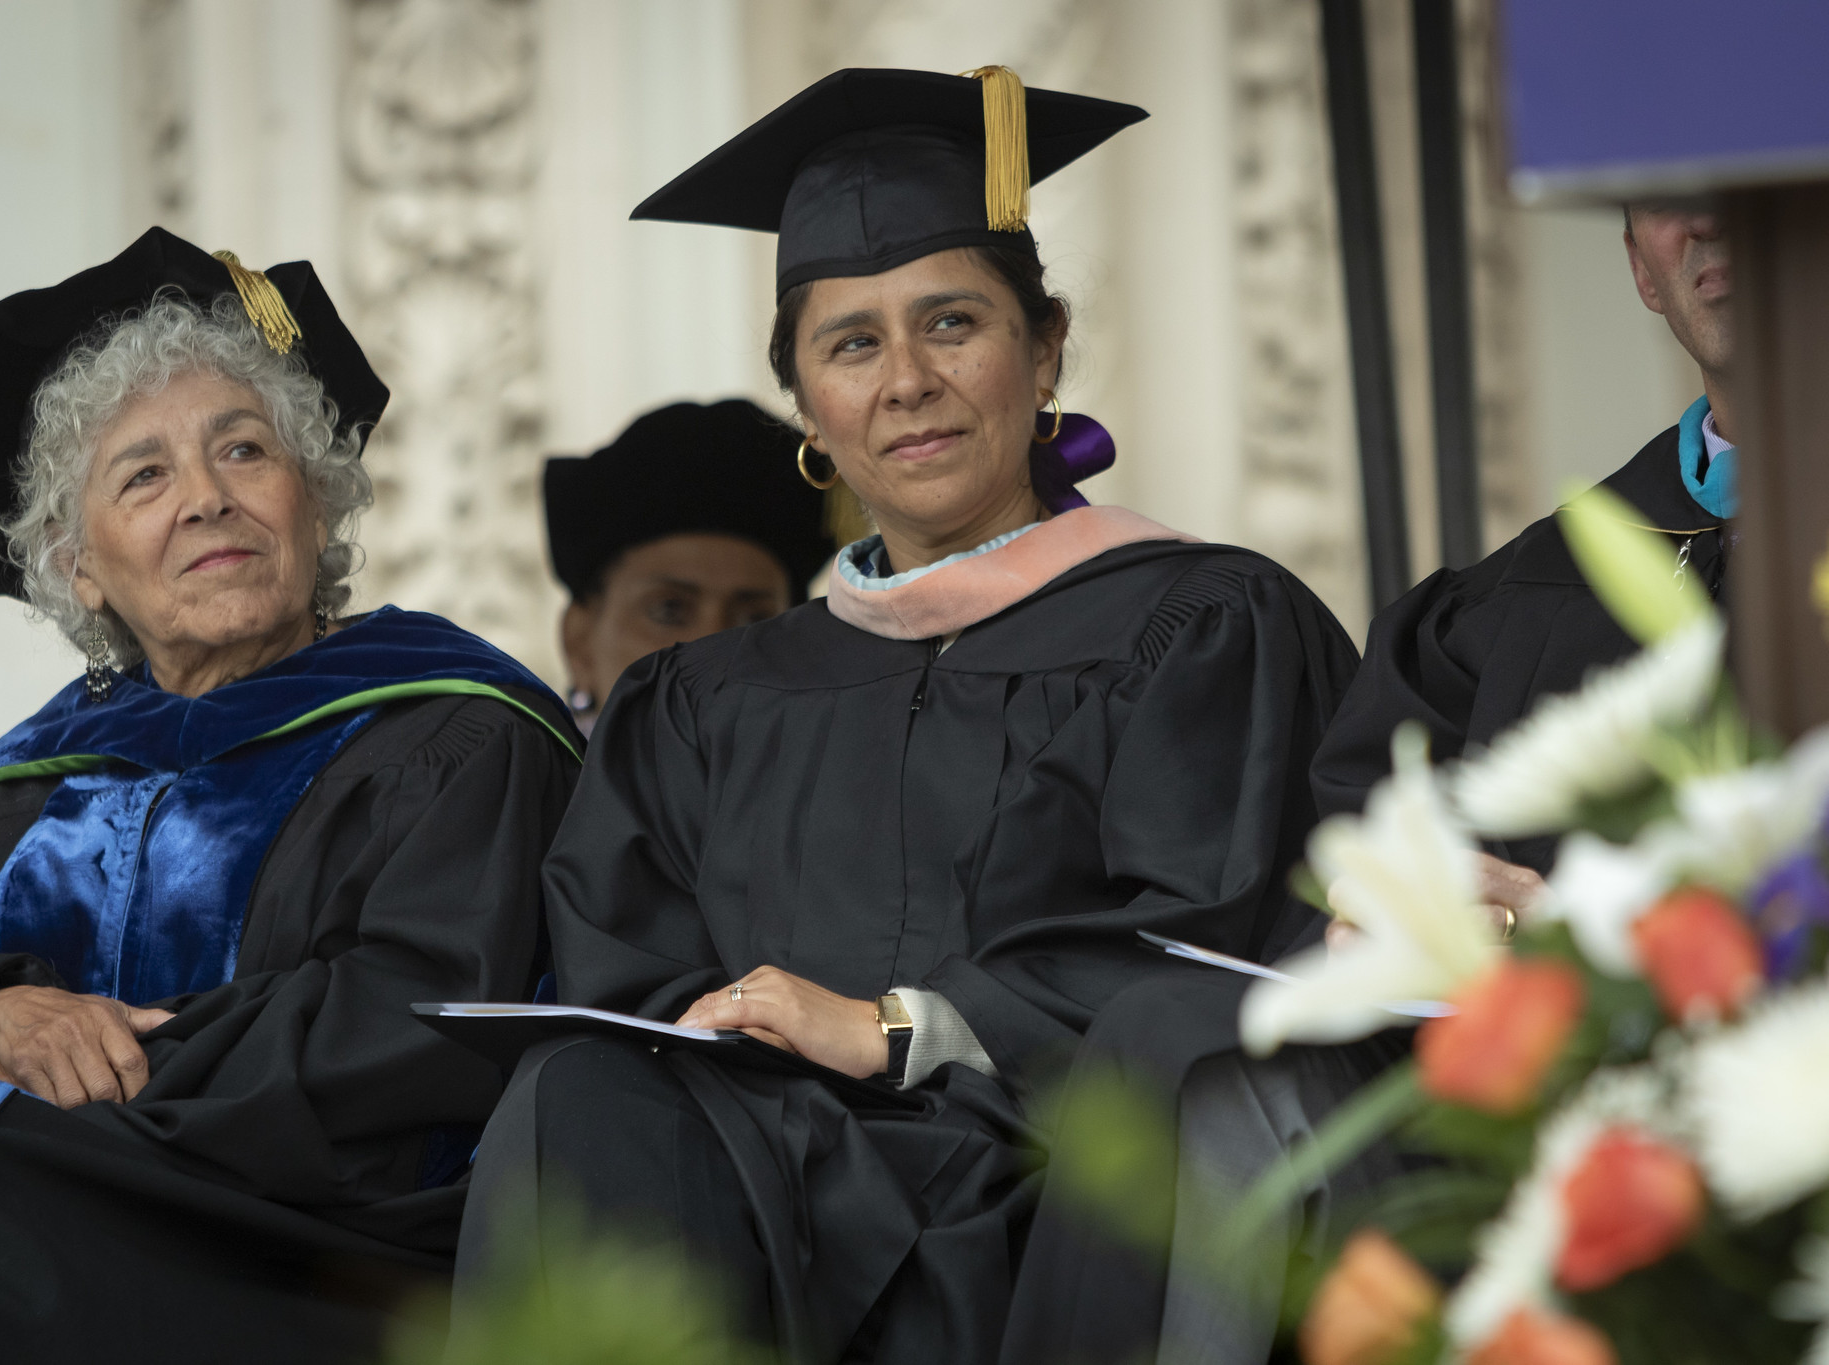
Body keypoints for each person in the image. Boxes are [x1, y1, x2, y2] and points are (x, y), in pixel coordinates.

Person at [453, 67, 1367, 1363]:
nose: (907, 381)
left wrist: (904, 1028)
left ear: (1044, 348)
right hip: (766, 1195)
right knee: (577, 1097)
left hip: (1063, 1192)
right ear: (808, 407)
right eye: (852, 341)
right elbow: (634, 979)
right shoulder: (708, 701)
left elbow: (1210, 952)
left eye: (952, 322)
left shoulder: (1203, 626)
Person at [0, 227, 581, 1364]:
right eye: (144, 474)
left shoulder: (453, 736)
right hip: (38, 1229)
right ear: (79, 565)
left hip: (311, 1264)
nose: (205, 500)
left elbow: (429, 1023)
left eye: (244, 451)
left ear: (316, 502)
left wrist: (64, 1085)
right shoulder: (11, 797)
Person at [1309, 200, 1734, 899]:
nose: (1708, 219)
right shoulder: (1545, 579)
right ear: (1641, 270)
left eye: (1746, 153)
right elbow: (1365, 836)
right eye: (1664, 189)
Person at [545, 399, 835, 734]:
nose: (712, 647)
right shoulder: (518, 783)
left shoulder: (850, 782)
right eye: (669, 609)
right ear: (578, 641)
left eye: (756, 620)